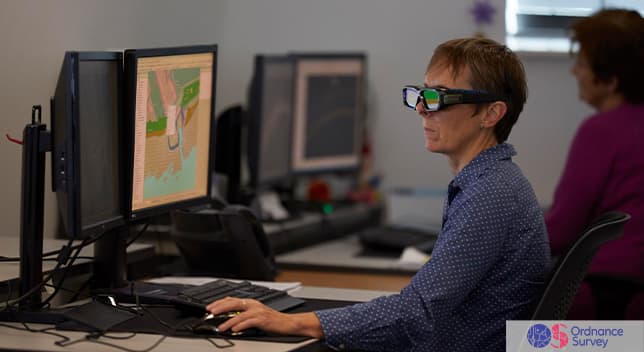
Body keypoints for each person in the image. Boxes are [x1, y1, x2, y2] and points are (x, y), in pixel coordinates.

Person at [207, 37, 550, 351]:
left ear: (492, 113)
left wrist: (293, 321)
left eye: (439, 98)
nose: (421, 108)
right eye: (421, 93)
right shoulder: (487, 180)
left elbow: (418, 312)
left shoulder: (491, 193)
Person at [545, 8, 644, 319]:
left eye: (582, 64)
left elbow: (560, 231)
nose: (575, 71)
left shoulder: (600, 131)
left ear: (611, 80)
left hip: (606, 298)